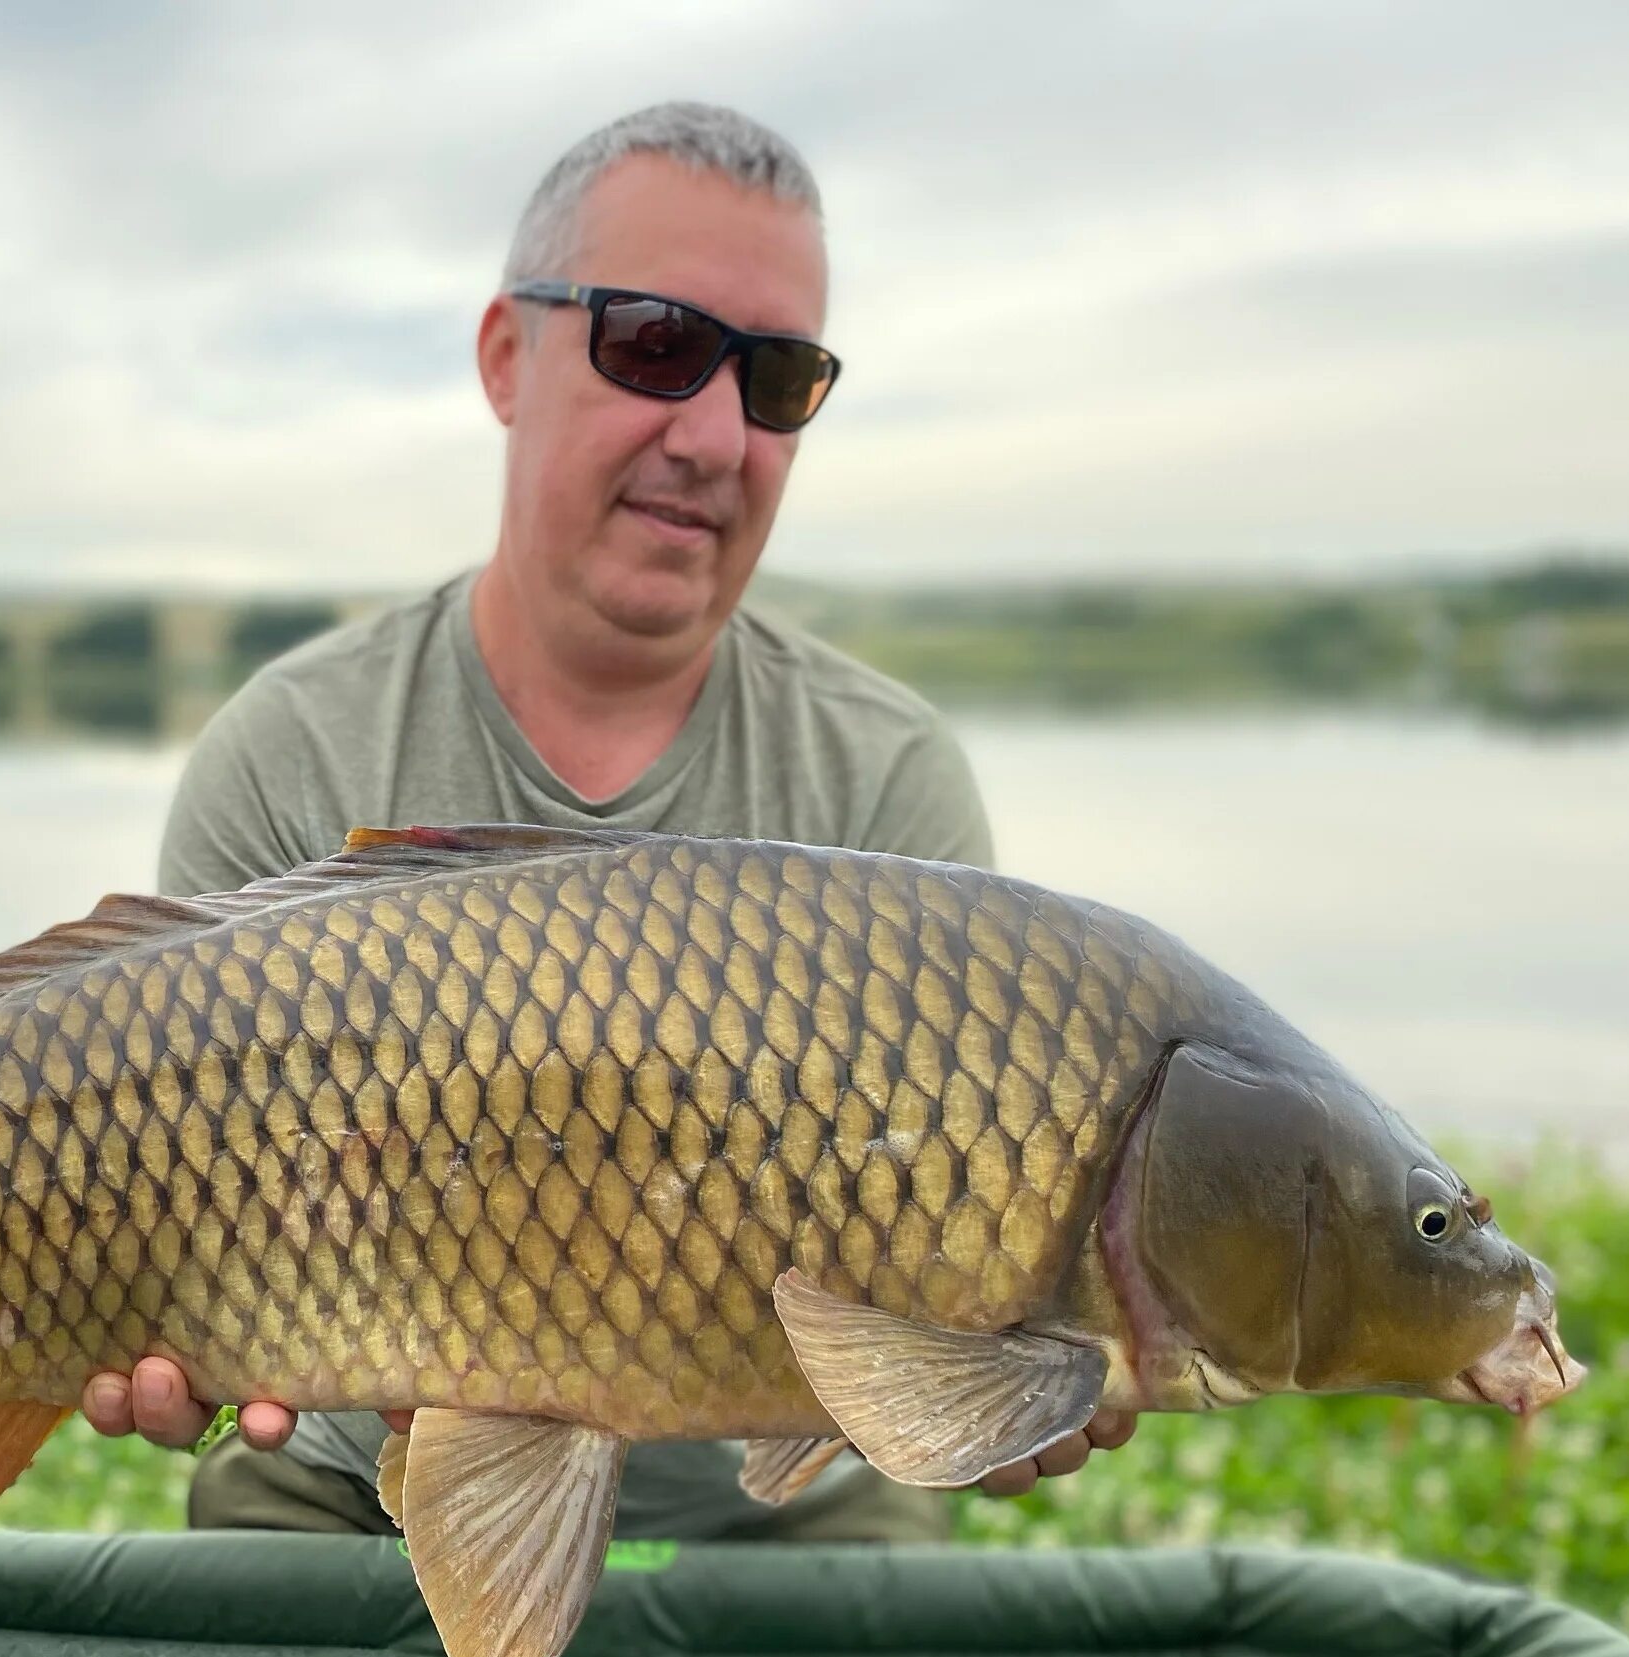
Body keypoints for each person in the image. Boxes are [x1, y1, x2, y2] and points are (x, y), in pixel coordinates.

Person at [81, 101, 1135, 1539]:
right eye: (654, 344)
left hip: (783, 1515)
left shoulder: (886, 790)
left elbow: (957, 1334)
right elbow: (142, 1216)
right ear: (510, 358)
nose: (711, 435)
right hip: (345, 1487)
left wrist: (1012, 1387)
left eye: (776, 380)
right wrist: (120, 1309)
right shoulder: (292, 751)